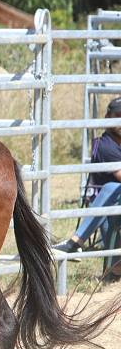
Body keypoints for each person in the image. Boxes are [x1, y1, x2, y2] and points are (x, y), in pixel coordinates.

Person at [54, 97, 121, 265]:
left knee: (110, 190)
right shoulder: (106, 146)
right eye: (118, 115)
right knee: (111, 191)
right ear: (108, 117)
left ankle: (75, 242)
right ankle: (112, 268)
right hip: (111, 210)